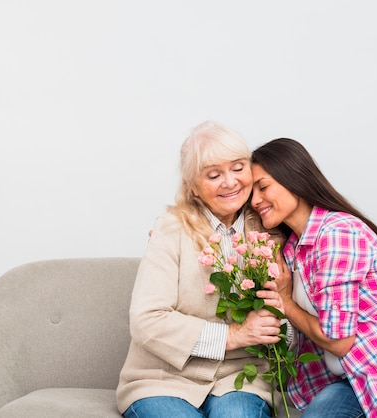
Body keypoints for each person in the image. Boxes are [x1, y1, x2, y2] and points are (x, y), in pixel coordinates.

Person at [249, 137, 377, 418]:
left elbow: (339, 341)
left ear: (294, 178)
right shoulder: (292, 250)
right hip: (356, 384)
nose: (256, 200)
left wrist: (286, 302)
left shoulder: (337, 234)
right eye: (251, 193)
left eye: (263, 187)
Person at [116, 121, 288, 418]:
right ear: (192, 185)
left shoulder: (271, 230)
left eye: (238, 168)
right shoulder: (171, 230)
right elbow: (147, 320)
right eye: (213, 174)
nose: (230, 182)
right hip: (161, 381)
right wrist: (233, 336)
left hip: (242, 381)